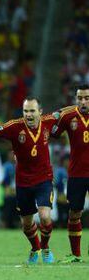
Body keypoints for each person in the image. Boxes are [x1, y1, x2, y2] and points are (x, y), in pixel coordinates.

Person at [0, 97, 57, 264]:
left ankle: (46, 248)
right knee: (26, 224)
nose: (28, 114)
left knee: (44, 217)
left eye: (32, 111)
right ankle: (35, 248)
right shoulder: (14, 126)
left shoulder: (49, 122)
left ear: (40, 112)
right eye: (25, 111)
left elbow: (65, 114)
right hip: (23, 182)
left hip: (44, 179)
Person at [53, 85, 89, 263]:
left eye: (87, 98)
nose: (83, 101)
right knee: (74, 213)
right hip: (76, 173)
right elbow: (53, 133)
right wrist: (57, 115)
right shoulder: (69, 116)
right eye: (80, 98)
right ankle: (76, 254)